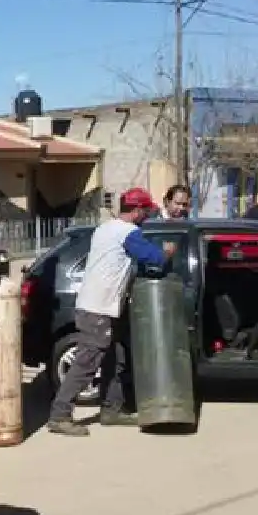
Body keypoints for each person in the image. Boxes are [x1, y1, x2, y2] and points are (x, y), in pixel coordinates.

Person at [47, 187, 168, 438]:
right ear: (136, 211)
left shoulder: (105, 227)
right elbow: (153, 257)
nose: (147, 215)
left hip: (102, 306)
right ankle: (59, 415)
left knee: (116, 356)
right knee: (87, 361)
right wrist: (167, 252)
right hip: (99, 308)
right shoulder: (128, 232)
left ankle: (111, 409)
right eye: (146, 211)